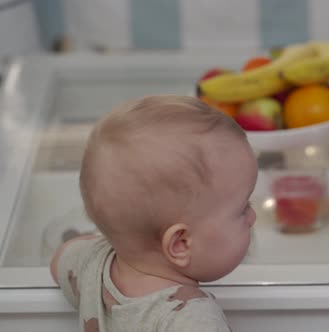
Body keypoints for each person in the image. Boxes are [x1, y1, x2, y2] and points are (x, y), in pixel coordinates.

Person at [50, 95, 258, 331]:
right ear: (180, 244)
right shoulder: (193, 319)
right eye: (243, 208)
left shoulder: (91, 263)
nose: (253, 218)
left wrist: (117, 235)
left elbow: (60, 258)